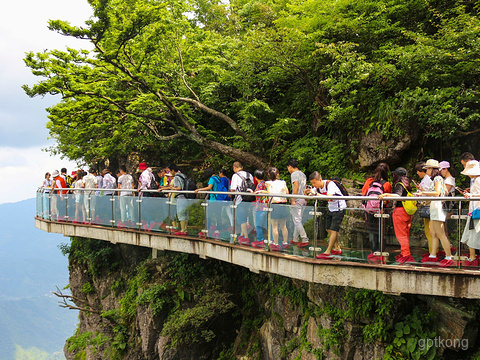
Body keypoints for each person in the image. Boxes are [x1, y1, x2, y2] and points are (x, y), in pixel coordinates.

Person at [417, 159, 455, 267]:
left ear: (433, 169)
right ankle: (433, 255)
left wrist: (423, 192)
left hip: (437, 207)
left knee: (440, 234)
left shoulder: (438, 178)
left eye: (428, 169)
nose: (427, 171)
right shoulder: (436, 179)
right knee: (433, 233)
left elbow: (437, 193)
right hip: (434, 207)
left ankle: (449, 256)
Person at [378, 168, 414, 264]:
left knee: (400, 234)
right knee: (405, 233)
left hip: (400, 211)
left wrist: (385, 194)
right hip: (407, 212)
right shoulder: (407, 184)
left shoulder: (399, 185)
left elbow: (397, 196)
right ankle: (404, 252)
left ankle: (406, 254)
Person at [307, 172, 346, 259]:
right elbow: (311, 194)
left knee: (333, 230)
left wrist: (316, 194)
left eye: (314, 182)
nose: (314, 185)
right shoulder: (317, 187)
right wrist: (308, 192)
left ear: (320, 180)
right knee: (328, 228)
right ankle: (337, 248)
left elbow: (329, 197)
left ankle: (328, 251)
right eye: (312, 183)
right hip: (331, 208)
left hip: (339, 208)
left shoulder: (330, 184)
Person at [362, 163, 391, 263]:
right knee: (381, 233)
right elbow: (387, 199)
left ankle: (372, 253)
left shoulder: (369, 181)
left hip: (369, 212)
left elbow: (364, 194)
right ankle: (381, 253)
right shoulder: (386, 184)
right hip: (382, 212)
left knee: (371, 232)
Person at [460, 160, 480, 267]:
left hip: (476, 211)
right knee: (473, 233)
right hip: (474, 210)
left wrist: (471, 195)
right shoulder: (476, 180)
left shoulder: (478, 180)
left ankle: (473, 258)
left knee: (473, 233)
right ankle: (473, 257)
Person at [230, 161, 254, 244]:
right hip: (249, 198)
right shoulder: (249, 175)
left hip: (240, 199)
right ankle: (242, 234)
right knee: (245, 216)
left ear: (235, 167)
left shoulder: (235, 176)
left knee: (242, 219)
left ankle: (245, 237)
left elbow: (232, 189)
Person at [265, 167, 289, 251]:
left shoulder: (268, 183)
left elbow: (269, 193)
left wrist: (262, 192)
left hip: (274, 205)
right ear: (277, 174)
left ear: (269, 175)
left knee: (274, 226)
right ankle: (285, 243)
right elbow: (287, 192)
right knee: (283, 226)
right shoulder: (283, 182)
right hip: (283, 204)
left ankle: (276, 244)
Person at [287, 159, 309, 248]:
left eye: (288, 167)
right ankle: (295, 238)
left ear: (290, 167)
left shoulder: (294, 174)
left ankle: (304, 239)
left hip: (298, 200)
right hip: (303, 198)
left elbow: (296, 187)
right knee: (298, 220)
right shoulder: (302, 174)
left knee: (296, 220)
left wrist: (293, 200)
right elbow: (305, 186)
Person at [415, 161, 433, 253]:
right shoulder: (426, 180)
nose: (417, 173)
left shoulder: (428, 180)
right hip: (427, 206)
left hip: (428, 206)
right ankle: (432, 252)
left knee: (429, 231)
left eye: (418, 171)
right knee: (428, 231)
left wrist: (421, 191)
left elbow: (428, 193)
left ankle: (432, 253)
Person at [169, 165, 189, 235]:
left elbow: (179, 188)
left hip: (180, 197)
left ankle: (183, 230)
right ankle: (185, 229)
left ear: (173, 170)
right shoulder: (183, 175)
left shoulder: (176, 177)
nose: (170, 172)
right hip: (187, 196)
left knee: (181, 213)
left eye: (170, 171)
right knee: (186, 213)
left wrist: (172, 188)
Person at [251, 169, 268, 248]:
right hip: (265, 206)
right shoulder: (265, 183)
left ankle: (260, 240)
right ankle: (269, 240)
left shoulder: (260, 185)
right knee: (265, 224)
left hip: (260, 206)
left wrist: (253, 193)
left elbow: (259, 195)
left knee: (258, 224)